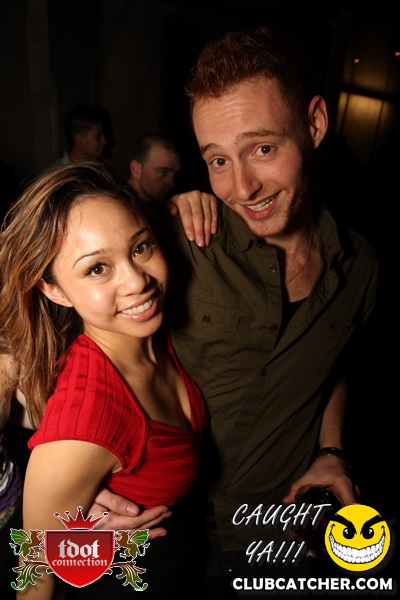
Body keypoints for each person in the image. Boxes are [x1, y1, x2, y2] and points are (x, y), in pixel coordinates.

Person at [99, 27, 379, 597]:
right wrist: (77, 471)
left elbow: (336, 362)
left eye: (263, 149)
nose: (243, 187)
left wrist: (332, 451)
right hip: (156, 529)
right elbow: (65, 337)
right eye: (219, 160)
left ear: (315, 124)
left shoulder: (363, 266)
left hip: (277, 527)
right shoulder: (180, 241)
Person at [0, 162, 207, 599]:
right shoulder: (84, 426)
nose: (137, 281)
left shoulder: (158, 331)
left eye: (140, 247)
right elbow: (35, 581)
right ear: (55, 290)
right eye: (97, 268)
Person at [128, 133, 181, 206]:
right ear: (136, 169)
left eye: (176, 175)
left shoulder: (163, 207)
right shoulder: (118, 205)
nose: (171, 183)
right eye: (162, 172)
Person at [50, 104, 108, 168]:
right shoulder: (58, 173)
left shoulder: (100, 169)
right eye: (97, 136)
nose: (104, 141)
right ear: (79, 139)